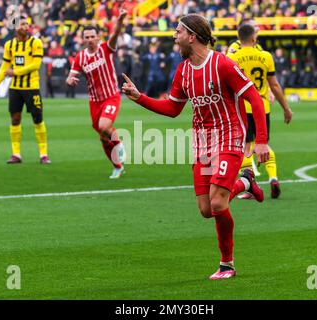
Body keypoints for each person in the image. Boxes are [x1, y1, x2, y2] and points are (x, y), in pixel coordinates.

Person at [122, 14, 270, 280]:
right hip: (202, 144)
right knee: (206, 210)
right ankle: (246, 183)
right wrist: (139, 98)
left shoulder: (222, 64)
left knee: (216, 203)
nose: (173, 36)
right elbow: (173, 108)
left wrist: (260, 141)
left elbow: (254, 99)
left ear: (191, 36)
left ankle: (227, 264)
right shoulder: (183, 70)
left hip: (229, 137)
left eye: (177, 31)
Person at [227, 24, 293, 199]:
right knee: (262, 144)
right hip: (263, 108)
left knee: (245, 148)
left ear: (238, 38)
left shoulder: (233, 57)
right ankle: (273, 177)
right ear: (254, 38)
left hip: (242, 108)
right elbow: (275, 85)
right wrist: (286, 107)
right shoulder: (265, 56)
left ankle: (249, 185)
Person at [66, 9, 127, 179]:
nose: (90, 39)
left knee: (104, 127)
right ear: (83, 39)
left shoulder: (106, 49)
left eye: (93, 36)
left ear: (98, 37)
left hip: (111, 96)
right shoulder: (80, 57)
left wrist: (120, 19)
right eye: (87, 37)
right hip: (94, 101)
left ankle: (119, 143)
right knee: (102, 137)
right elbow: (71, 75)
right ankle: (117, 166)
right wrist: (70, 80)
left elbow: (116, 32)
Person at [0, 15, 50, 164]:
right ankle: (16, 154)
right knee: (15, 119)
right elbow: (4, 67)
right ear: (15, 27)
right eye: (22, 24)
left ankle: (43, 155)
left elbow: (35, 65)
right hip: (15, 88)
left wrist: (15, 72)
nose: (25, 27)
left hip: (32, 87)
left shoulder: (36, 42)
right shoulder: (10, 45)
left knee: (37, 119)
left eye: (27, 24)